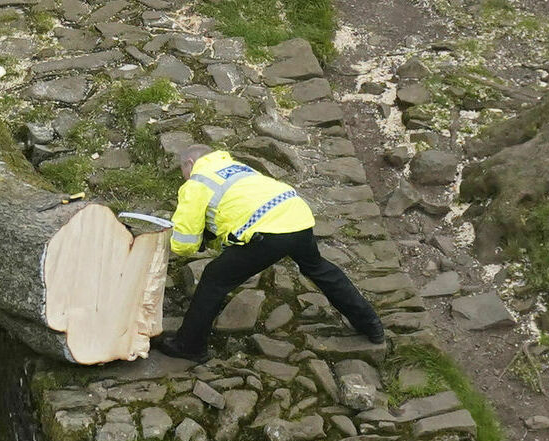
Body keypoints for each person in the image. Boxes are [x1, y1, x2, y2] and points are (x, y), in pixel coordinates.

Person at [145, 142, 386, 365]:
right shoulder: (235, 167)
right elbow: (237, 211)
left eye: (182, 171)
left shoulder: (197, 182)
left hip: (267, 232)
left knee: (214, 278)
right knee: (319, 268)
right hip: (296, 215)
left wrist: (177, 241)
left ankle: (189, 345)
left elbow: (184, 243)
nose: (184, 177)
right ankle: (371, 324)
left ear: (189, 163)